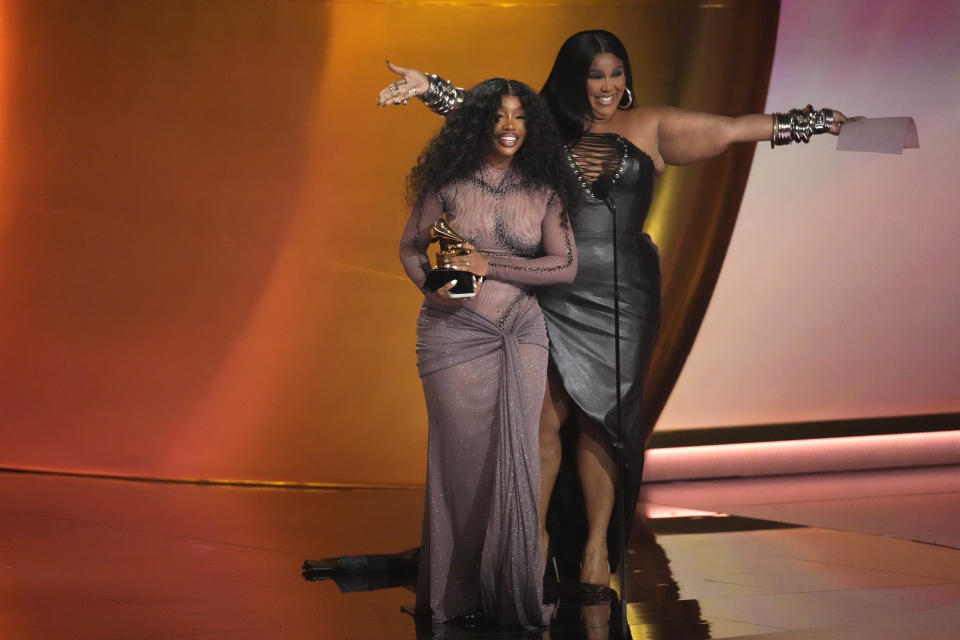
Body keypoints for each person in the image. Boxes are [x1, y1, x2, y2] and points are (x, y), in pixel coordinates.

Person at [380, 30, 852, 596]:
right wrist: (428, 87)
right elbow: (488, 114)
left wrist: (815, 122)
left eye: (615, 73)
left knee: (605, 423)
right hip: (554, 281)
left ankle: (597, 549)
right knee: (544, 414)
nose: (607, 86)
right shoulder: (547, 126)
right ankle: (533, 540)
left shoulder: (654, 125)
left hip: (624, 290)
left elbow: (732, 130)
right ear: (575, 78)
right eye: (595, 74)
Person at [399, 77, 580, 629]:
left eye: (520, 116)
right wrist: (429, 281)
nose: (508, 126)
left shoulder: (546, 189)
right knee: (463, 461)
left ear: (532, 126)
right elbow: (411, 246)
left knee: (516, 458)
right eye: (498, 116)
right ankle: (456, 595)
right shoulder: (449, 183)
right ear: (479, 123)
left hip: (520, 333)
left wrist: (490, 265)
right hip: (453, 333)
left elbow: (565, 265)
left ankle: (508, 589)